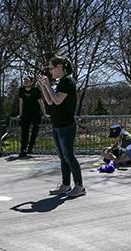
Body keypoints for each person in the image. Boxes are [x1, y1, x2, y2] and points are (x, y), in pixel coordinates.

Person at [38, 56, 84, 198]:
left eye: (52, 68)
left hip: (66, 125)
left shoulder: (67, 81)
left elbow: (57, 100)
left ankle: (79, 186)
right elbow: (50, 102)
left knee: (69, 156)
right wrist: (44, 86)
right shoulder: (60, 83)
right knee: (63, 157)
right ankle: (65, 185)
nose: (51, 71)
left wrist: (48, 86)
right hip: (57, 125)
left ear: (59, 67)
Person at [16, 75, 45, 157]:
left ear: (31, 82)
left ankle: (30, 146)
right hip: (26, 114)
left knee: (35, 131)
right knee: (24, 132)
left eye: (27, 80)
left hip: (35, 113)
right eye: (24, 80)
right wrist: (20, 114)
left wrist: (44, 113)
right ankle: (23, 149)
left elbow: (41, 102)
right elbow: (21, 103)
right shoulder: (21, 90)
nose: (25, 82)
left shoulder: (36, 90)